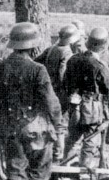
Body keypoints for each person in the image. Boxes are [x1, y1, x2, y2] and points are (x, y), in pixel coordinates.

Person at [0, 23, 63, 180]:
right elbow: (51, 101)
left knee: (17, 176)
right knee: (40, 172)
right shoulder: (38, 69)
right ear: (32, 45)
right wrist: (58, 125)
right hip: (34, 129)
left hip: (8, 129)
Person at [64, 27, 109, 168]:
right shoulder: (100, 66)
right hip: (92, 107)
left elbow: (65, 82)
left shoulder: (73, 60)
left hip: (74, 105)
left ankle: (65, 169)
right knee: (91, 139)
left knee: (73, 139)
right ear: (104, 46)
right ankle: (84, 171)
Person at [34, 24, 80, 162]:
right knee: (60, 125)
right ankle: (58, 155)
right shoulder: (66, 52)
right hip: (59, 93)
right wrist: (68, 90)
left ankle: (46, 152)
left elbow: (36, 62)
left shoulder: (51, 49)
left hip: (47, 90)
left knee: (47, 122)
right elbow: (62, 74)